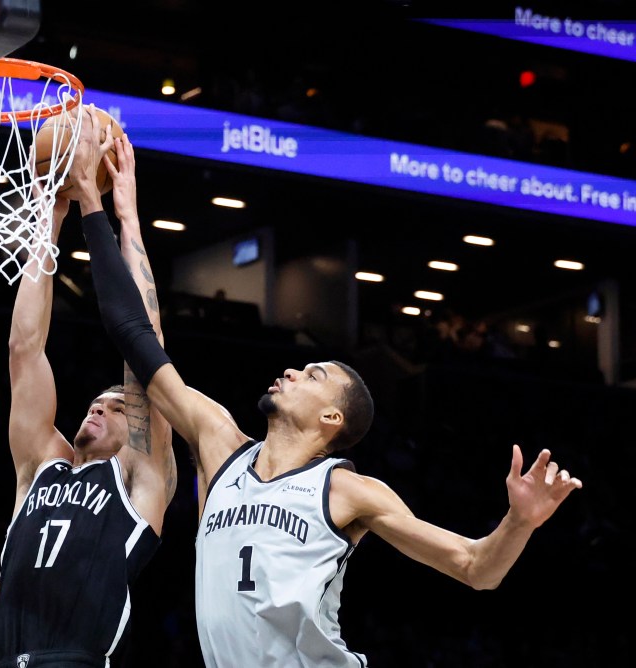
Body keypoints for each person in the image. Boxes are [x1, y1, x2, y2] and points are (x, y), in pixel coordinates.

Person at [76, 111, 585, 666]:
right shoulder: (218, 443)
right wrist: (111, 211)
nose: (294, 372)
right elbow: (135, 334)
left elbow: (476, 568)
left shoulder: (347, 491)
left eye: (314, 375)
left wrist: (520, 520)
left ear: (332, 420)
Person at [0, 110, 176, 668]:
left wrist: (123, 214)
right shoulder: (40, 466)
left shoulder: (141, 481)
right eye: (96, 401)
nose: (100, 404)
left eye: (116, 406)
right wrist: (52, 213)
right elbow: (25, 349)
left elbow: (144, 347)